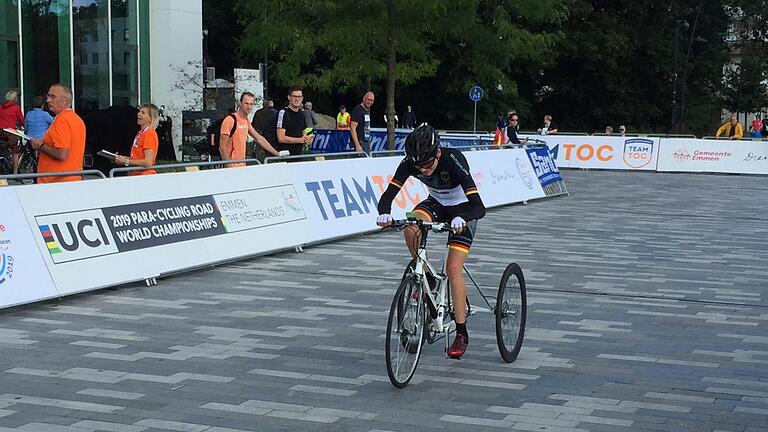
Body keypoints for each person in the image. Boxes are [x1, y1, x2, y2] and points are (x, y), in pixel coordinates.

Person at [376, 124, 486, 359]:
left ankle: (461, 332)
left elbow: (479, 206)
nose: (424, 171)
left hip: (463, 210)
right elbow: (388, 195)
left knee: (453, 268)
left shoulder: (453, 160)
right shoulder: (411, 163)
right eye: (419, 167)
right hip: (435, 204)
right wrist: (384, 212)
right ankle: (424, 275)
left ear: (437, 153)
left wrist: (462, 217)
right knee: (411, 225)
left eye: (427, 165)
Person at [28, 84, 85, 183]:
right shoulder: (76, 119)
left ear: (66, 101)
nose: (48, 100)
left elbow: (62, 154)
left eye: (53, 97)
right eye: (48, 96)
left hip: (56, 182)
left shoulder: (62, 120)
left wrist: (40, 145)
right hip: (70, 179)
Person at [221, 91, 280, 167]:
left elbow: (259, 138)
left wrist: (277, 153)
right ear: (240, 103)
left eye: (251, 104)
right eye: (246, 103)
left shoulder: (246, 121)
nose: (248, 107)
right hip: (231, 167)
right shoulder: (230, 120)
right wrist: (228, 165)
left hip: (242, 165)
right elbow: (222, 147)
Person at [113, 104, 160, 175]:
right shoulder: (141, 133)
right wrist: (123, 159)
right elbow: (138, 158)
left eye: (143, 113)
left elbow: (148, 162)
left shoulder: (149, 134)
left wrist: (126, 161)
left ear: (151, 118)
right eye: (139, 111)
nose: (139, 114)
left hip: (143, 176)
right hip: (136, 175)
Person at [276, 86, 312, 156]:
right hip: (285, 156)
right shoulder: (283, 112)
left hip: (298, 155)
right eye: (294, 96)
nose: (297, 99)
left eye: (299, 97)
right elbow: (281, 138)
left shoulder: (301, 114)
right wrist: (300, 140)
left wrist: (307, 139)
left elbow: (304, 131)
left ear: (302, 98)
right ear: (289, 97)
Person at [0, 89, 25, 174]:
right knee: (15, 151)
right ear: (15, 99)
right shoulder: (16, 108)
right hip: (10, 132)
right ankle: (15, 173)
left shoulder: (1, 107)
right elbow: (21, 120)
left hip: (1, 131)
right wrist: (26, 127)